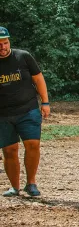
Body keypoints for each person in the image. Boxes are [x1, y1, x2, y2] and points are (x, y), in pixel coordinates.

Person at [0, 26, 50, 197]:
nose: (3, 47)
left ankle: (31, 183)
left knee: (33, 144)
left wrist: (45, 102)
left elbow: (39, 79)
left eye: (5, 43)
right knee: (9, 150)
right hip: (3, 115)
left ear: (9, 42)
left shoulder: (23, 56)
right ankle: (15, 188)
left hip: (28, 110)